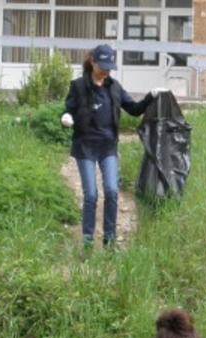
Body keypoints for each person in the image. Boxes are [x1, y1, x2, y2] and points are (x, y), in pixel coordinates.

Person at [61, 44, 165, 250]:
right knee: (91, 194)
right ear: (93, 61)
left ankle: (109, 240)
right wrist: (65, 117)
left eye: (110, 66)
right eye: (103, 66)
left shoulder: (114, 87)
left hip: (108, 147)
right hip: (85, 147)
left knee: (111, 191)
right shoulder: (78, 86)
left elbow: (134, 110)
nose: (107, 70)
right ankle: (88, 241)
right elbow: (68, 110)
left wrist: (151, 96)